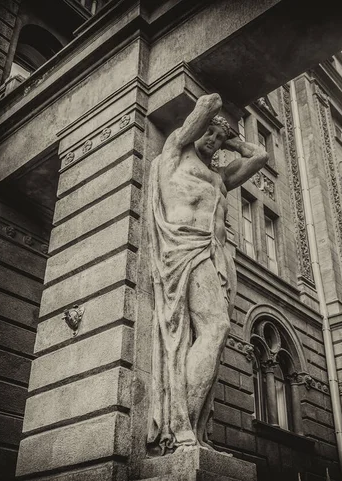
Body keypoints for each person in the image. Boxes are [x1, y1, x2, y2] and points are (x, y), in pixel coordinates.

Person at [147, 93, 268, 455]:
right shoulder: (173, 153)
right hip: (183, 251)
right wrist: (213, 122)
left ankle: (192, 431)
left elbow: (259, 156)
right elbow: (211, 101)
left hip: (214, 258)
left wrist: (230, 138)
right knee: (216, 330)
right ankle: (181, 427)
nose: (213, 142)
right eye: (209, 135)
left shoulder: (219, 178)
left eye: (219, 139)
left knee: (213, 337)